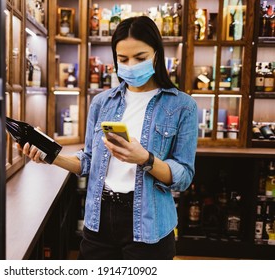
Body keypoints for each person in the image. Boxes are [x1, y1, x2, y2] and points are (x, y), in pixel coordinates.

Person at [17, 16, 198, 260]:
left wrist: (145, 158)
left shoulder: (182, 106)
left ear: (157, 54)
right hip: (98, 219)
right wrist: (50, 155)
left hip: (149, 226)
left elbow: (184, 177)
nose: (131, 65)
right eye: (123, 59)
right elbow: (88, 161)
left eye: (140, 58)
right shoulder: (102, 102)